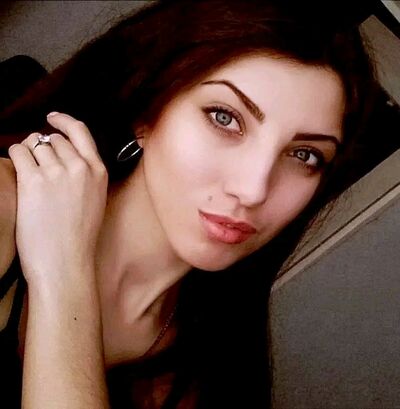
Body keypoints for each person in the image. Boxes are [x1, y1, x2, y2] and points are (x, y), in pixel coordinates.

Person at [0, 0, 377, 408]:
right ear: (149, 109)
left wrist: (63, 274)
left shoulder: (211, 371)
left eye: (304, 155)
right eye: (224, 118)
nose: (253, 190)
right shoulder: (6, 204)